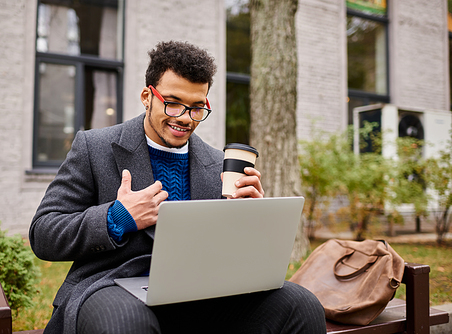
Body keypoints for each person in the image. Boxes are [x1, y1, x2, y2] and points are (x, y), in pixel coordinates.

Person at [30, 40, 326, 334]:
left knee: (301, 304)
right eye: (173, 103)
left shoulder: (219, 164)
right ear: (147, 96)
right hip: (111, 285)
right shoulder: (94, 148)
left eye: (197, 108)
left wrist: (250, 218)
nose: (185, 118)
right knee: (127, 322)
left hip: (199, 293)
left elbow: (229, 256)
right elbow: (43, 233)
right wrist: (117, 217)